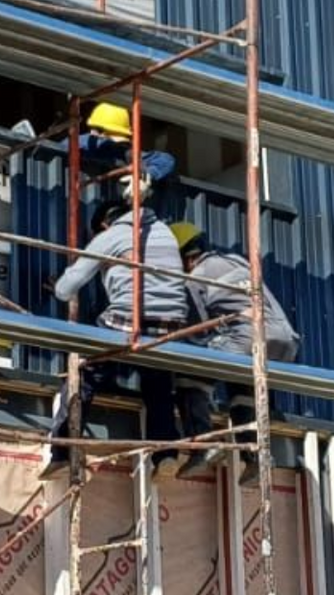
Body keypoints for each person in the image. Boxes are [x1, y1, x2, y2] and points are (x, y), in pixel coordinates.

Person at [43, 201, 190, 479]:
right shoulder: (164, 231)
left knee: (84, 373)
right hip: (171, 326)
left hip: (128, 319)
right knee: (158, 386)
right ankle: (167, 454)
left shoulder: (110, 236)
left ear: (103, 224)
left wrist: (59, 286)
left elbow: (66, 289)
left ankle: (62, 451)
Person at [168, 222, 301, 477]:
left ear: (183, 256)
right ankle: (255, 457)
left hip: (249, 338)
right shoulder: (237, 262)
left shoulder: (195, 277)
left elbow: (199, 332)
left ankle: (203, 446)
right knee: (241, 385)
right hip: (286, 341)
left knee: (190, 369)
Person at [78, 101, 176, 207]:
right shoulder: (80, 143)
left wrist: (144, 176)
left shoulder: (125, 152)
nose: (117, 145)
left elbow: (166, 160)